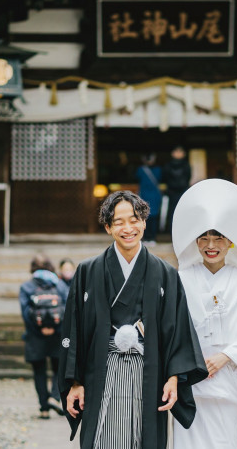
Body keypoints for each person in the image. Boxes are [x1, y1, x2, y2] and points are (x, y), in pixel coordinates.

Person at [58, 190, 208, 449]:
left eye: (134, 220)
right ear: (108, 227)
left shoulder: (165, 274)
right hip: (100, 373)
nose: (128, 228)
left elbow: (177, 330)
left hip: (148, 374)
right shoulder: (87, 271)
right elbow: (74, 327)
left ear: (144, 223)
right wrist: (75, 382)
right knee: (102, 439)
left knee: (144, 438)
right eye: (119, 222)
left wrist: (173, 378)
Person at [171, 179, 237, 449]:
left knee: (223, 443)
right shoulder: (180, 280)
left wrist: (225, 356)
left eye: (218, 237)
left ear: (230, 241)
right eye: (204, 237)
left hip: (228, 385)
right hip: (191, 386)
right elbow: (170, 328)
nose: (211, 244)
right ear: (195, 241)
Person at [19, 254, 69, 419]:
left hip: (35, 335)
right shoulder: (59, 284)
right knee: (58, 368)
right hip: (58, 333)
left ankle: (44, 408)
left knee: (39, 371)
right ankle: (54, 397)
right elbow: (67, 308)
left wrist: (39, 329)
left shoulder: (27, 286)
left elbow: (26, 313)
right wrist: (55, 328)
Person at [135, 153, 162, 245]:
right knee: (150, 217)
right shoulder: (158, 170)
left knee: (145, 217)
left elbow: (136, 177)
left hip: (145, 196)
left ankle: (147, 238)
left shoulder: (141, 170)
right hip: (153, 195)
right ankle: (151, 238)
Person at [163, 146, 191, 233]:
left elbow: (188, 177)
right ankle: (173, 233)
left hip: (183, 192)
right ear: (172, 153)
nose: (178, 154)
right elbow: (165, 178)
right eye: (176, 151)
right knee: (173, 213)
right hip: (172, 192)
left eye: (180, 151)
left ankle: (183, 233)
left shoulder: (186, 165)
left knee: (183, 213)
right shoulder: (168, 165)